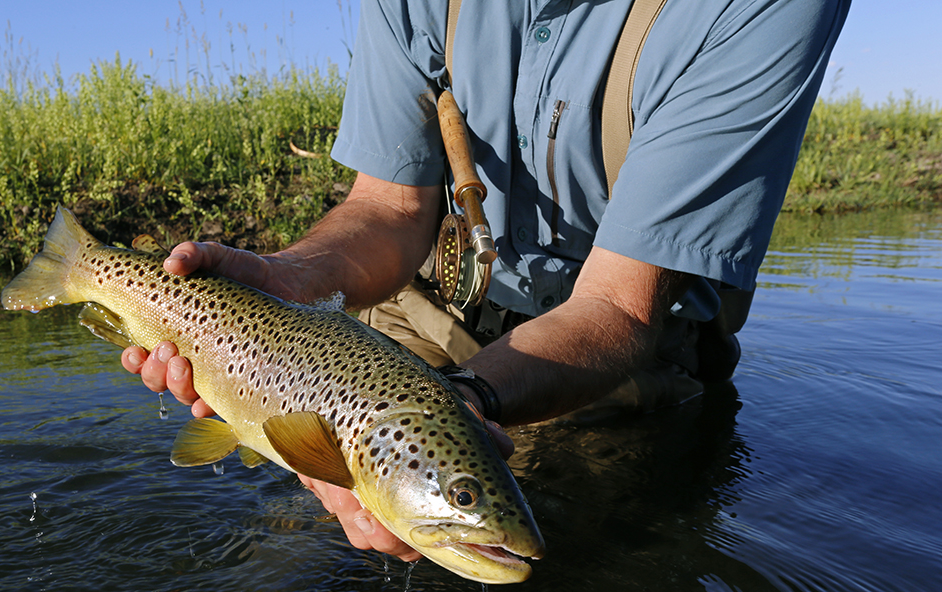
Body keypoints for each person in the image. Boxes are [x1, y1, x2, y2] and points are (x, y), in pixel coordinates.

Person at [121, 0, 849, 562]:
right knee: (299, 552)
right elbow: (387, 208)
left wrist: (456, 408)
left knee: (604, 570)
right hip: (431, 301)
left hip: (622, 338)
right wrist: (286, 278)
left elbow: (617, 305)